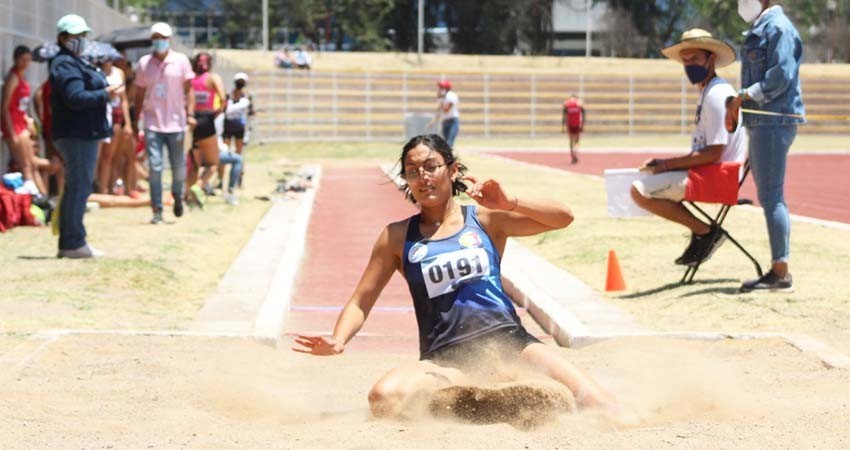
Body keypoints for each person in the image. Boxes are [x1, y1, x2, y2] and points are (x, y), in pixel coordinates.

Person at [293, 134, 614, 421]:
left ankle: (489, 397)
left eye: (431, 167)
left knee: (597, 403)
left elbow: (563, 218)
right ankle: (479, 400)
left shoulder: (486, 221)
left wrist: (509, 202)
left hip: (512, 346)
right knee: (383, 398)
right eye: (412, 170)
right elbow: (361, 301)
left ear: (453, 170)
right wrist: (339, 338)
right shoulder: (396, 237)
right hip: (445, 359)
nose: (422, 177)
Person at [630, 29, 747, 267]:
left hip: (719, 176)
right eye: (685, 60)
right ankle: (704, 233)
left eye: (694, 59)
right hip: (711, 171)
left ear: (711, 59)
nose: (689, 65)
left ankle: (705, 233)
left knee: (638, 191)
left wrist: (666, 165)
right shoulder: (709, 91)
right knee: (645, 183)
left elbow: (714, 152)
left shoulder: (717, 95)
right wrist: (665, 164)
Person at [725, 1, 804, 293]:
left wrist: (742, 96)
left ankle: (780, 273)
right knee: (770, 195)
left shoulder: (778, 28)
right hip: (762, 121)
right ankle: (778, 270)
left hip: (774, 120)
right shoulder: (764, 28)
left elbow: (780, 76)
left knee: (772, 197)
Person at [49, 14, 120, 258]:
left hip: (84, 133)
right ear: (63, 38)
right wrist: (105, 95)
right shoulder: (65, 64)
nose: (80, 40)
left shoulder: (76, 62)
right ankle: (73, 242)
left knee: (77, 186)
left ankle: (72, 240)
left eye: (83, 36)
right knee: (79, 186)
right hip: (76, 134)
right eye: (75, 36)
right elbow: (75, 97)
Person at [133, 22, 195, 224]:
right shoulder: (144, 63)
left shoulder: (181, 61)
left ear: (169, 39)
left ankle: (177, 195)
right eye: (156, 37)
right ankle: (157, 209)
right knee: (155, 167)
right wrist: (135, 119)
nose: (160, 41)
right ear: (152, 40)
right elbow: (139, 93)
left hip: (176, 122)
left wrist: (190, 113)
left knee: (178, 167)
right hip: (152, 122)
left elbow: (189, 89)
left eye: (163, 37)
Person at [2, 45, 46, 196]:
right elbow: (5, 107)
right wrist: (12, 132)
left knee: (32, 164)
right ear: (16, 59)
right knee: (25, 165)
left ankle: (42, 195)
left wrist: (29, 120)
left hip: (22, 123)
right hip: (14, 125)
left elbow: (23, 105)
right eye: (23, 59)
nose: (26, 63)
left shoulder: (23, 77)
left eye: (28, 60)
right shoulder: (13, 77)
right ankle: (34, 198)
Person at [185, 52, 225, 203]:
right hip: (206, 120)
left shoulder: (190, 79)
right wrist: (215, 114)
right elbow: (223, 99)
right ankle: (199, 186)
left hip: (191, 120)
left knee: (194, 164)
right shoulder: (212, 78)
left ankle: (188, 195)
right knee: (213, 163)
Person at [96, 48, 132, 195]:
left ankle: (108, 187)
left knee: (110, 155)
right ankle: (99, 186)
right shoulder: (96, 73)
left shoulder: (119, 73)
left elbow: (123, 99)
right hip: (100, 113)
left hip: (116, 115)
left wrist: (127, 123)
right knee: (99, 154)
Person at [220, 72, 252, 191]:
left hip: (240, 127)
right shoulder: (228, 95)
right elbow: (224, 109)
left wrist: (248, 130)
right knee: (224, 153)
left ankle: (238, 179)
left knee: (239, 154)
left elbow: (250, 113)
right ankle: (220, 180)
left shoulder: (247, 96)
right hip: (228, 126)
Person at [428, 80, 460, 148]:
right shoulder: (443, 97)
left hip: (453, 121)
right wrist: (433, 122)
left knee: (449, 143)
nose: (440, 89)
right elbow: (439, 111)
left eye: (442, 87)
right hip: (445, 121)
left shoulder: (451, 95)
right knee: (446, 143)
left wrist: (440, 100)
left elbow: (446, 110)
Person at [561, 94, 585, 164]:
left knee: (571, 141)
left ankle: (572, 155)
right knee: (577, 141)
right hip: (577, 124)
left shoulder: (567, 103)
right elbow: (583, 114)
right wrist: (582, 125)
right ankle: (575, 153)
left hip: (570, 125)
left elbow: (564, 116)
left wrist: (562, 127)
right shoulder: (579, 103)